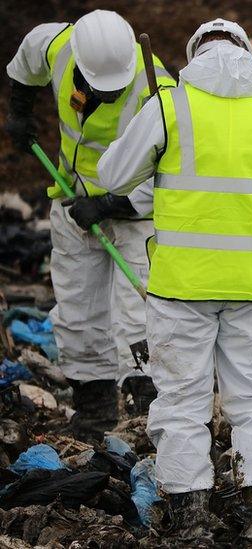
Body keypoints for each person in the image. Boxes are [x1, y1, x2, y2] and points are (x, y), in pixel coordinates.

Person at [96, 18, 252, 543]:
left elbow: (111, 176)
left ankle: (191, 517)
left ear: (193, 56)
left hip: (182, 287)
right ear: (248, 54)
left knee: (182, 399)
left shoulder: (170, 107)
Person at [5, 10, 175, 438]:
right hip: (73, 203)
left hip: (136, 215)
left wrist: (109, 204)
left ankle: (147, 414)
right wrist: (19, 113)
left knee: (138, 316)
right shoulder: (59, 46)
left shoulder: (158, 90)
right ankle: (95, 412)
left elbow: (171, 176)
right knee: (79, 310)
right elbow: (26, 61)